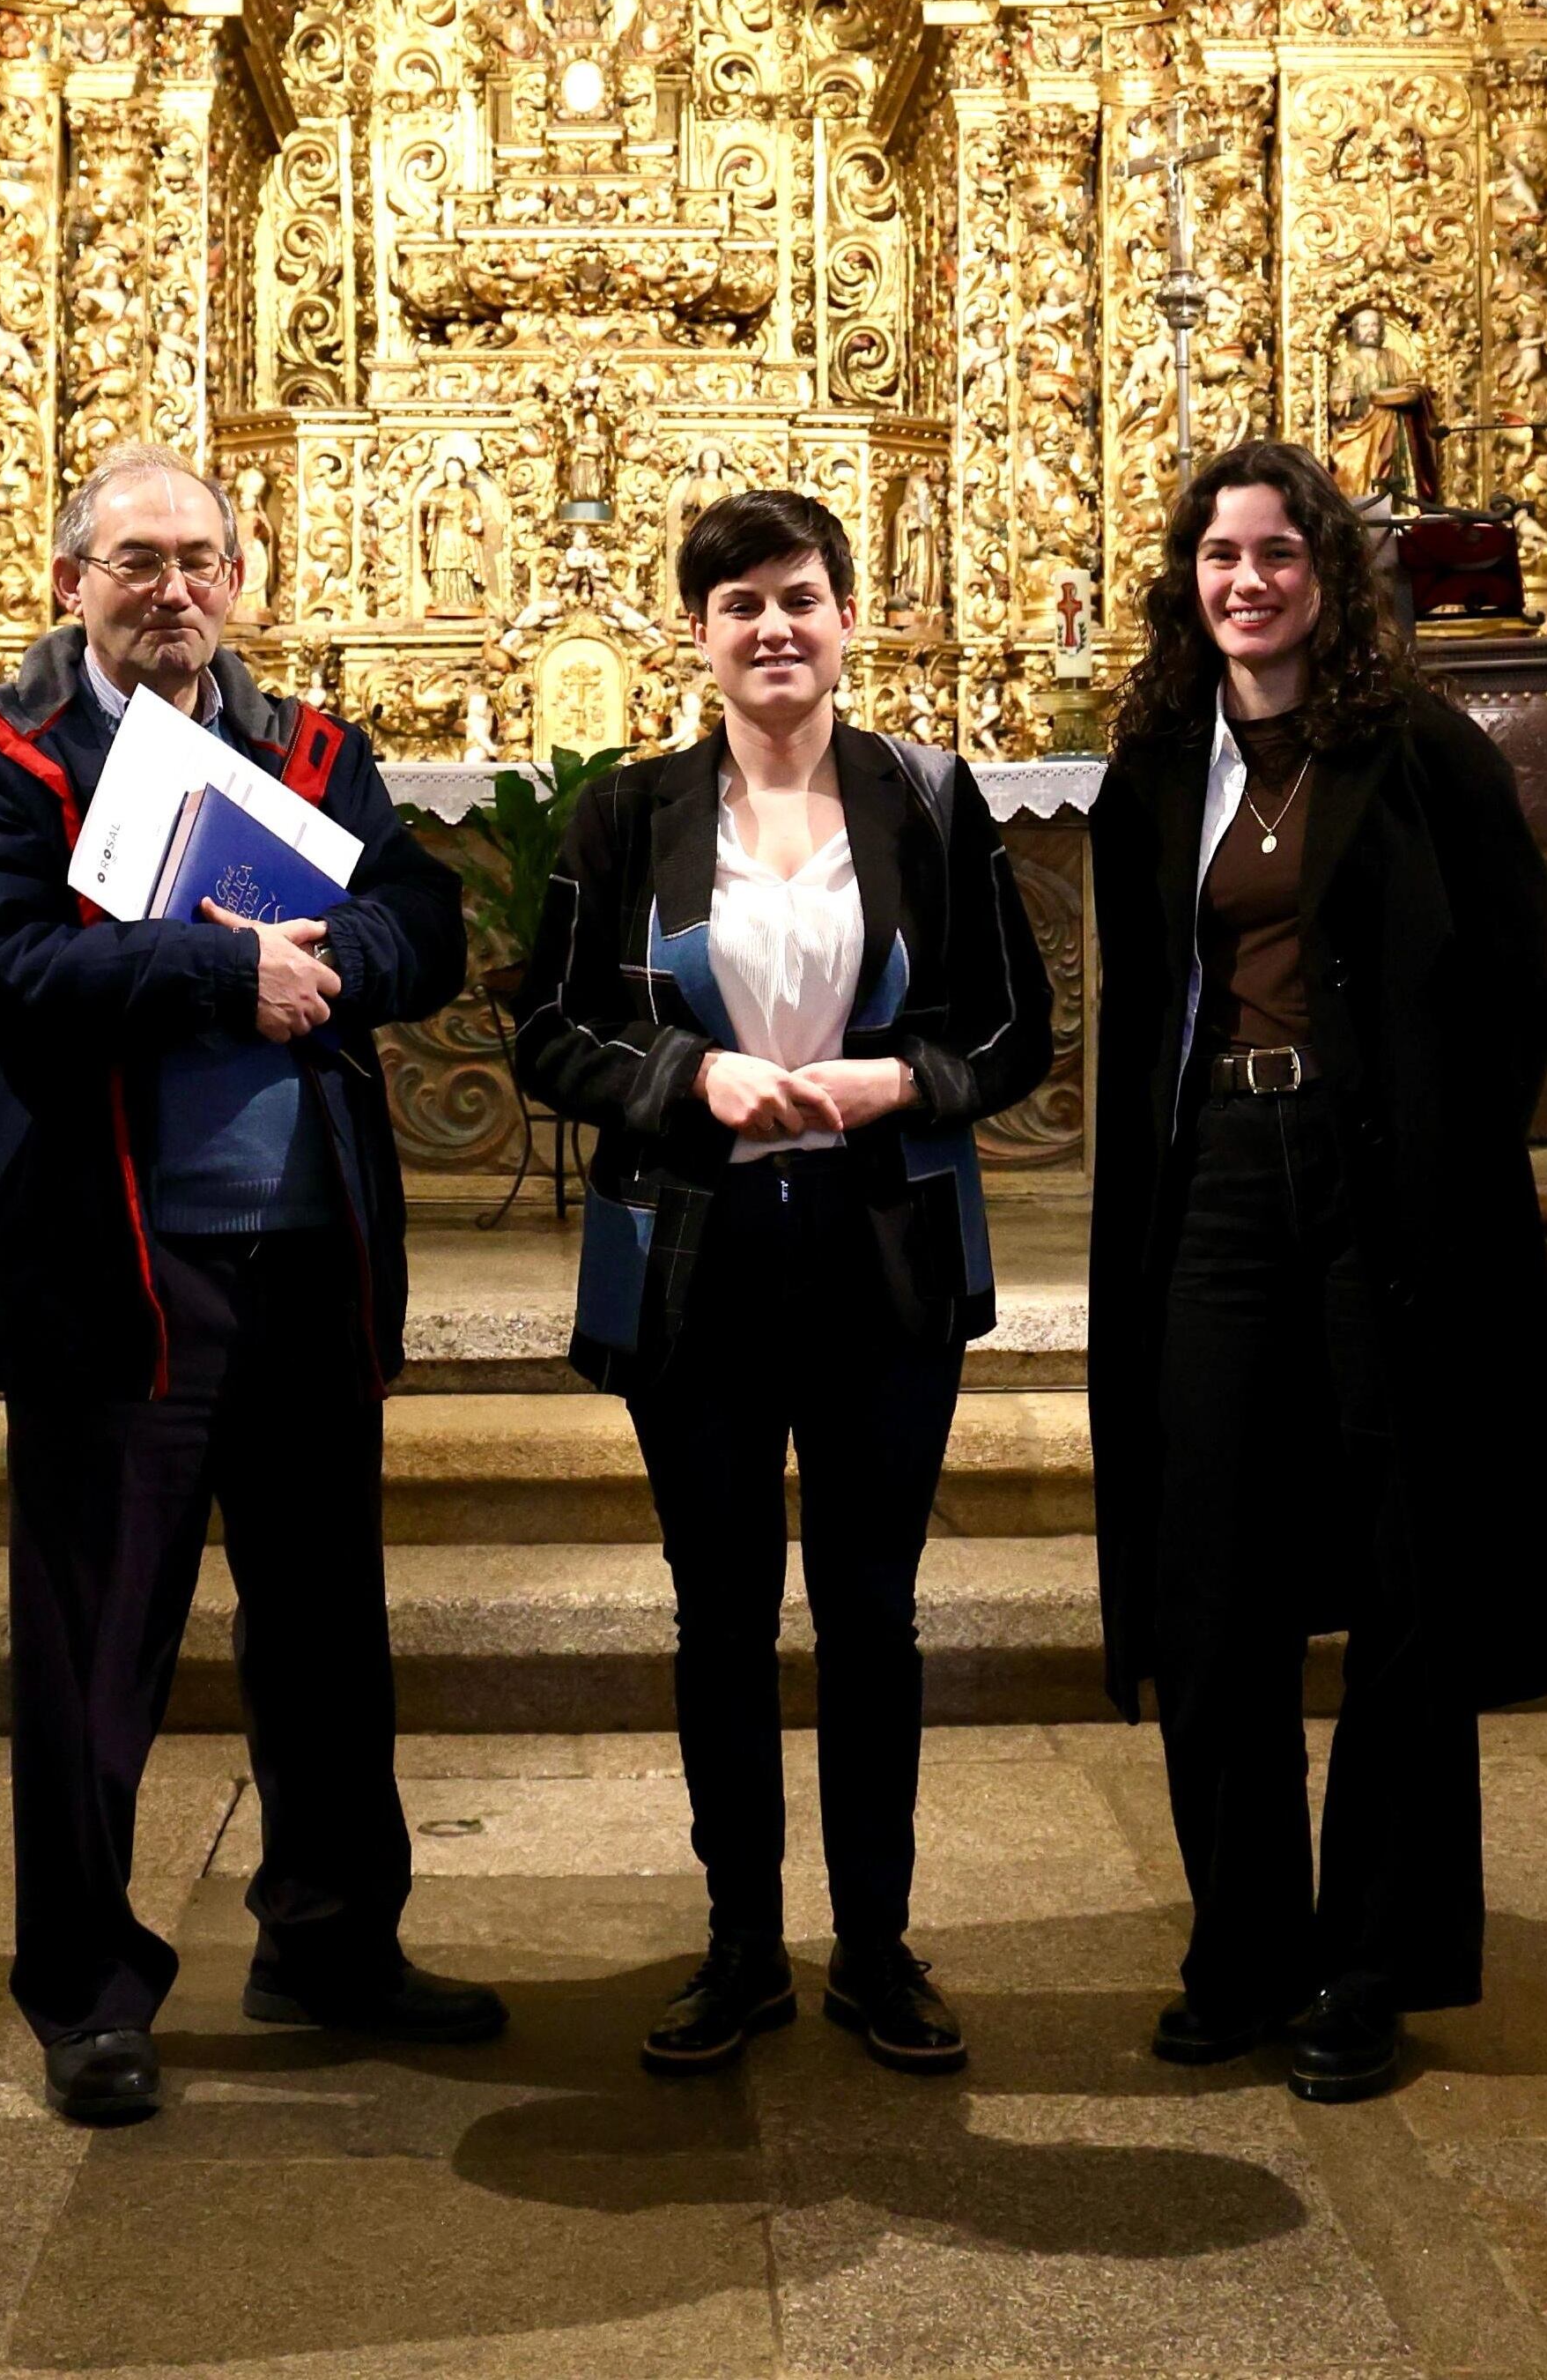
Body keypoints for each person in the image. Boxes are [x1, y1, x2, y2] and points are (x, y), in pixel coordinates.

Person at [0, 442, 495, 2132]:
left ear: (236, 580)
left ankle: (331, 1938)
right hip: (118, 1269)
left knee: (327, 1630)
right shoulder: (0, 764)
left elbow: (424, 928)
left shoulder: (311, 751)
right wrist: (223, 968)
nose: (174, 590)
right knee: (97, 1648)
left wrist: (326, 965)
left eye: (202, 561)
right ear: (74, 581)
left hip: (311, 1251)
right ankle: (85, 1988)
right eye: (138, 560)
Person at [1086, 440, 1547, 2105]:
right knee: (1213, 1574)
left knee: (1406, 1575)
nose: (1247, 582)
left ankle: (1373, 1965)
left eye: (1278, 554)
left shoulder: (1418, 753)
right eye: (1219, 557)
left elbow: (1520, 977)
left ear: (1331, 573)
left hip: (1384, 1191)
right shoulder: (1158, 763)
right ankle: (1242, 1943)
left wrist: (1439, 1147)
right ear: (1191, 584)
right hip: (1215, 1187)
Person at [512, 490, 1054, 2078]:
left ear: (847, 616)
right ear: (698, 636)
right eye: (739, 603)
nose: (774, 628)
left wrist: (903, 1086)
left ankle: (877, 1949)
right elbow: (544, 1030)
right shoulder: (626, 819)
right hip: (701, 1258)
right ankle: (741, 1944)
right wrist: (695, 1080)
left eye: (801, 598)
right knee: (722, 1614)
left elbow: (1021, 1028)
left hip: (882, 1249)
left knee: (873, 1613)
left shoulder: (933, 804)